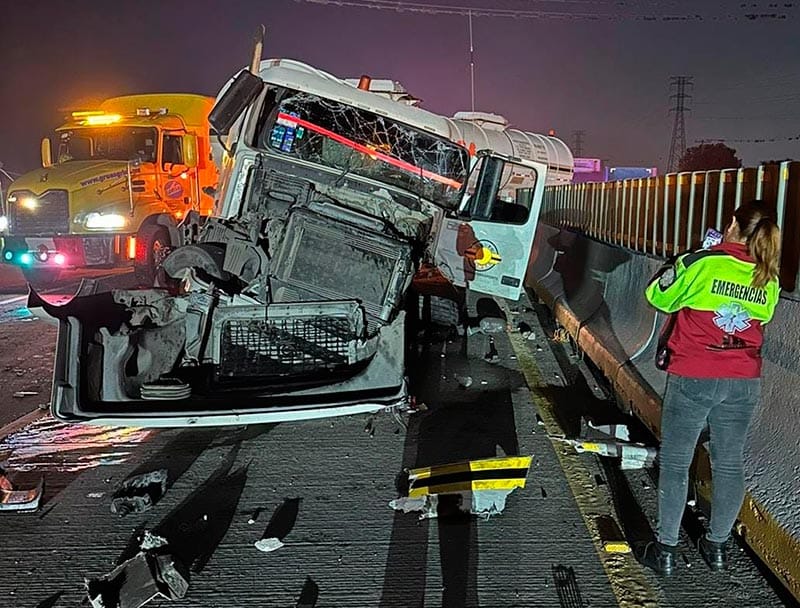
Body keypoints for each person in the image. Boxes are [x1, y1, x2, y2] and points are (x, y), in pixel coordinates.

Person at [638, 199, 782, 575]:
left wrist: (693, 254)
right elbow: (762, 317)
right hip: (742, 381)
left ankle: (666, 550)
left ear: (732, 223)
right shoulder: (768, 276)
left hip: (694, 375)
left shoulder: (702, 262)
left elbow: (657, 296)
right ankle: (716, 546)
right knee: (729, 463)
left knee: (675, 461)